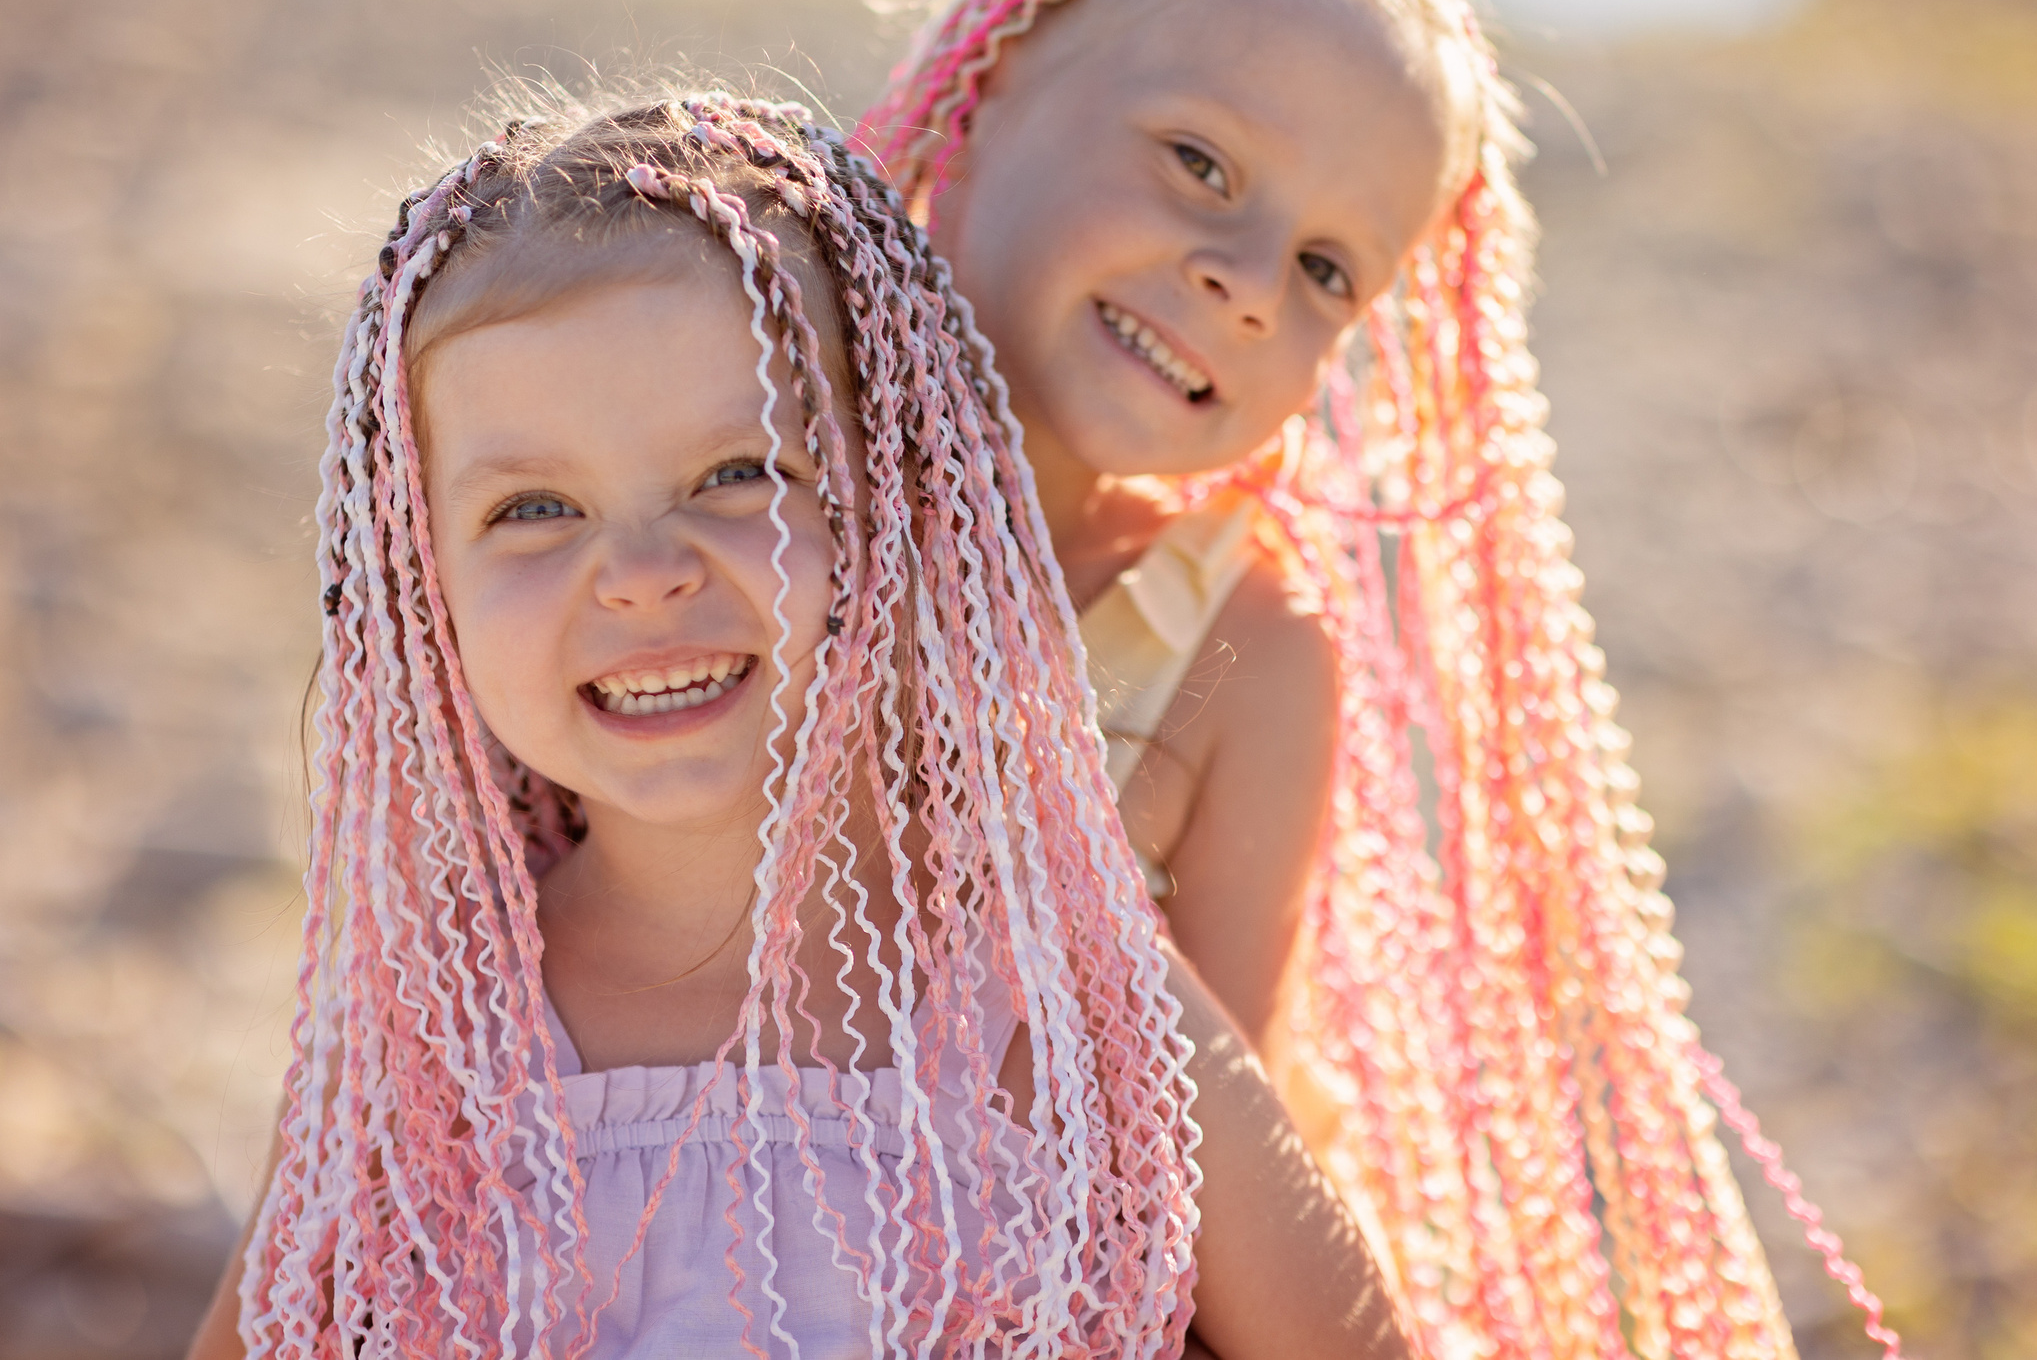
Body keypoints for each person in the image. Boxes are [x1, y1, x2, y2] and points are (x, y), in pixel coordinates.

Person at [855, 0, 1899, 1360]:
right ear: (997, 73)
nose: (1247, 279)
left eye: (1329, 268)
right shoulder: (731, 470)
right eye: (1200, 164)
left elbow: (1213, 1129)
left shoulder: (1235, 652)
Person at [185, 91, 1412, 1358]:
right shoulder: (437, 1036)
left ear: (895, 513)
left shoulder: (1056, 1002)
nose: (642, 571)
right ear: (419, 586)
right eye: (534, 509)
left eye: (737, 477)